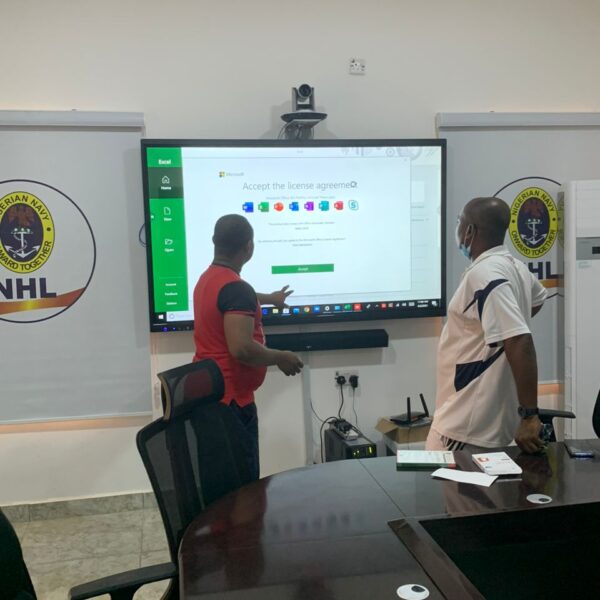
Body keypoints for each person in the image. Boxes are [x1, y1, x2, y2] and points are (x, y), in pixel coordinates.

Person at [426, 197, 548, 454]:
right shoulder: (514, 266)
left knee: (441, 478)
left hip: (464, 425)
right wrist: (501, 328)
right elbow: (537, 300)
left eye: (459, 222)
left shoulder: (485, 274)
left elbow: (519, 339)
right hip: (481, 422)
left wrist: (530, 415)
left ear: (469, 231)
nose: (457, 228)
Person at [193, 214, 303, 480]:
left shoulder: (209, 279)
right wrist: (280, 357)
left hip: (210, 398)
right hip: (231, 405)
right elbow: (241, 348)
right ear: (249, 247)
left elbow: (233, 298)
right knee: (242, 489)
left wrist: (271, 298)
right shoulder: (236, 289)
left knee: (220, 485)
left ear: (214, 241)